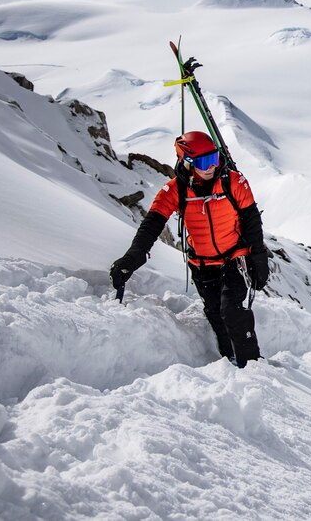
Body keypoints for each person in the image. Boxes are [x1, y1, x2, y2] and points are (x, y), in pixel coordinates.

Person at [110, 131, 270, 367]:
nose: (212, 166)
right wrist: (132, 258)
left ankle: (253, 365)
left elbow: (252, 222)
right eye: (205, 162)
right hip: (202, 266)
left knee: (232, 310)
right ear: (187, 161)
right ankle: (231, 361)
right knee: (215, 313)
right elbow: (152, 225)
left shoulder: (233, 181)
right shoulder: (175, 190)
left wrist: (259, 259)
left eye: (214, 158)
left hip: (235, 260)